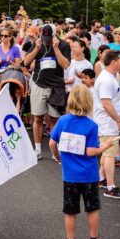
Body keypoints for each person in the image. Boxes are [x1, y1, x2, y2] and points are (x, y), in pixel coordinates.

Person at [50, 84, 114, 239]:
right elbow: (90, 151)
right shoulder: (91, 125)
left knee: (70, 210)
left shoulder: (62, 121)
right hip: (89, 175)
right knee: (92, 209)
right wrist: (105, 146)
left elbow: (51, 143)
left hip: (70, 176)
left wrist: (57, 157)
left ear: (71, 101)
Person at [23, 24, 71, 160]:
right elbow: (26, 62)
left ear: (55, 35)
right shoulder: (38, 43)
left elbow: (65, 65)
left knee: (55, 119)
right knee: (37, 117)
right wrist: (36, 48)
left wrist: (55, 48)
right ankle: (37, 149)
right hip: (39, 84)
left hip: (56, 86)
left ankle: (54, 149)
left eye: (49, 38)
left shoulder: (63, 45)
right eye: (44, 37)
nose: (46, 40)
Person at [93, 50, 120, 199]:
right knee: (109, 155)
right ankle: (110, 187)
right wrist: (118, 121)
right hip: (107, 123)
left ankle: (101, 179)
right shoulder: (106, 80)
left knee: (107, 152)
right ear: (114, 62)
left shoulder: (110, 77)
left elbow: (112, 102)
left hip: (110, 122)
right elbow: (106, 104)